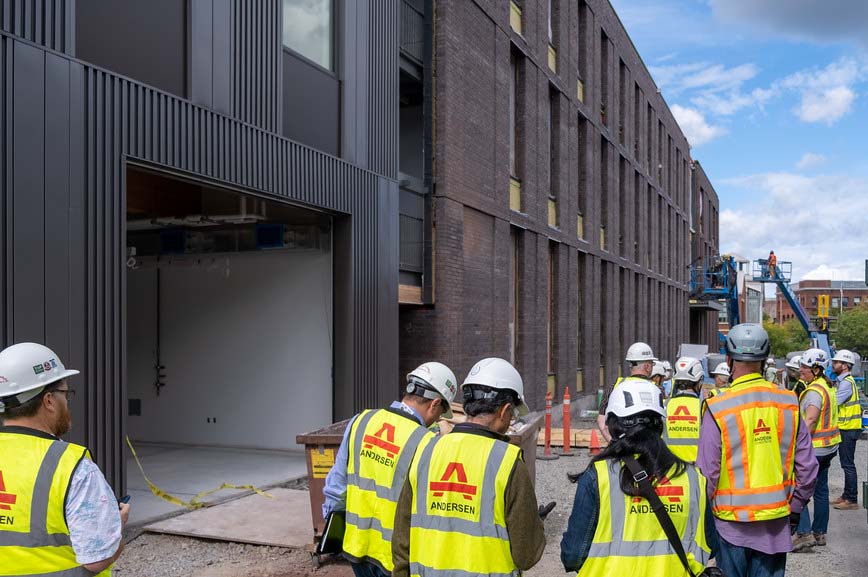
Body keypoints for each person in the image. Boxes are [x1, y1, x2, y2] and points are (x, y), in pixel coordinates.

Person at [392, 358, 545, 577]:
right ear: (504, 411)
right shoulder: (507, 463)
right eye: (512, 414)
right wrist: (535, 524)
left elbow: (401, 540)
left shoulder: (425, 450)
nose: (510, 420)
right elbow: (526, 554)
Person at [561, 379, 718, 575]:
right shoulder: (693, 479)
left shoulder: (599, 477)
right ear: (659, 425)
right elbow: (710, 546)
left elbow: (572, 556)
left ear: (613, 426)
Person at [697, 323, 818, 577]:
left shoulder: (718, 407)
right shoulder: (788, 402)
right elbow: (807, 469)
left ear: (728, 359)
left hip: (730, 527)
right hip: (775, 526)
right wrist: (795, 508)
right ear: (765, 360)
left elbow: (707, 474)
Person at [0, 343, 129, 576]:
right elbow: (97, 560)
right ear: (49, 400)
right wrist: (116, 526)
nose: (67, 402)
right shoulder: (72, 466)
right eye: (65, 394)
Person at [323, 362, 457, 577]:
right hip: (396, 558)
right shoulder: (425, 442)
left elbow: (337, 486)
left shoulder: (361, 421)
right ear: (435, 404)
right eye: (440, 412)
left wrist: (332, 531)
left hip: (356, 547)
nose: (438, 419)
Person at [792, 349, 840, 550]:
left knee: (800, 487)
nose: (800, 369)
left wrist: (798, 446)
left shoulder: (814, 392)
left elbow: (810, 419)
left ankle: (804, 534)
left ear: (816, 369)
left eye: (804, 366)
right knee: (821, 491)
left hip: (815, 447)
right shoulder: (826, 387)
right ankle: (820, 533)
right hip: (828, 447)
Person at [596, 342, 656, 442]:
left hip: (624, 450)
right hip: (649, 451)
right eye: (652, 364)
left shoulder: (615, 386)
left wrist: (615, 445)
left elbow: (601, 420)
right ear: (647, 367)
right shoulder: (656, 389)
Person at [830, 349, 861, 511]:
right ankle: (846, 495)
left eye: (836, 362)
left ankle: (852, 499)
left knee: (848, 465)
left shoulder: (846, 383)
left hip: (848, 429)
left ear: (845, 365)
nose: (833, 364)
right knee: (846, 464)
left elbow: (835, 402)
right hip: (848, 428)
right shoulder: (844, 381)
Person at [663, 357, 704, 462]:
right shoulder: (704, 407)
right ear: (699, 382)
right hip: (698, 471)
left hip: (669, 470)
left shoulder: (664, 406)